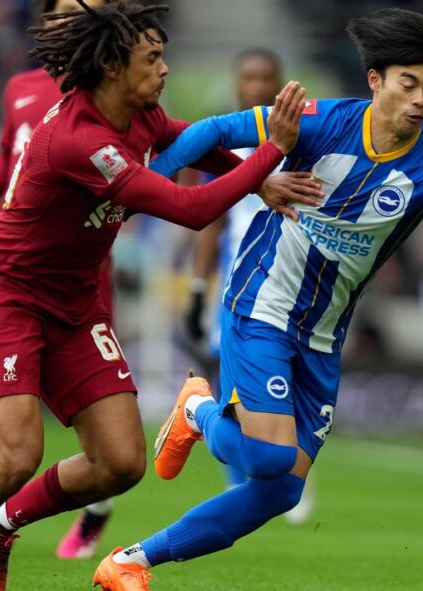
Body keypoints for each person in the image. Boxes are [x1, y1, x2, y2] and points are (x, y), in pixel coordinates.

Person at [92, 9, 423, 589]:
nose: (421, 101)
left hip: (323, 335)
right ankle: (199, 410)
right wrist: (142, 186)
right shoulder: (323, 121)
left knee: (280, 490)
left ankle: (131, 561)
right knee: (269, 458)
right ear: (376, 80)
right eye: (409, 84)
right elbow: (211, 132)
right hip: (261, 302)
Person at [0, 1, 311, 589]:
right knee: (18, 454)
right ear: (110, 69)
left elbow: (190, 140)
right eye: (152, 58)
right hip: (7, 293)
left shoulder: (138, 111)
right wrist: (270, 152)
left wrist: (260, 177)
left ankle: (3, 524)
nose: (165, 70)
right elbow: (190, 209)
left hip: (74, 302)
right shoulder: (80, 139)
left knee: (122, 462)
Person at [0, 0, 118, 561]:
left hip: (83, 271)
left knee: (100, 423)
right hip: (18, 266)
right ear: (50, 21)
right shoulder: (21, 87)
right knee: (1, 408)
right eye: (78, 10)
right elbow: (12, 153)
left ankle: (91, 506)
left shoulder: (116, 87)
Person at [185, 47, 316, 525]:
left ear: (282, 82)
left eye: (266, 77)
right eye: (248, 77)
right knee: (234, 386)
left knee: (300, 376)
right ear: (237, 84)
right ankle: (242, 485)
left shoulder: (309, 136)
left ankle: (289, 470)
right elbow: (210, 221)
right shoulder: (224, 143)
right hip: (241, 284)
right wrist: (198, 288)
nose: (257, 86)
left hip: (301, 279)